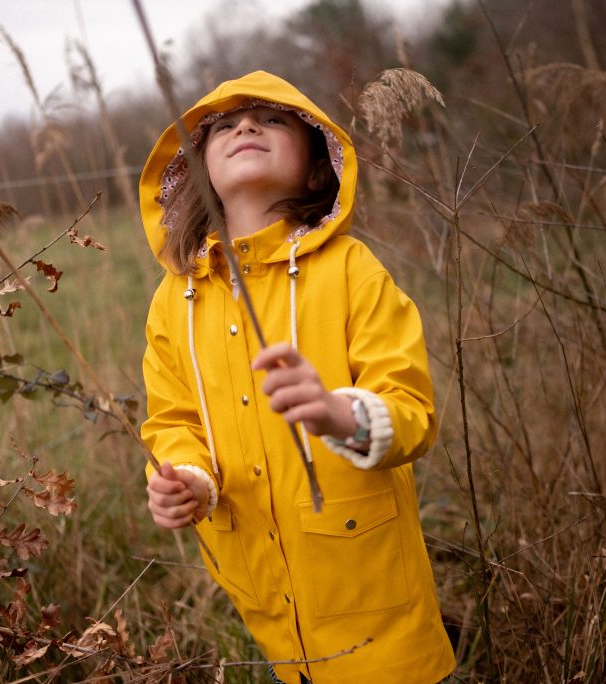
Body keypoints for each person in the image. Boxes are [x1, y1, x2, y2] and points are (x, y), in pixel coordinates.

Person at [139, 70, 455, 684]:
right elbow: (173, 418)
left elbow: (412, 411)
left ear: (317, 167)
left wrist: (342, 415)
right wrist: (190, 481)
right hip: (270, 608)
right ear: (199, 173)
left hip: (379, 607)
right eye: (224, 126)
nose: (246, 127)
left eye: (272, 120)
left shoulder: (350, 271)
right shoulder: (173, 301)